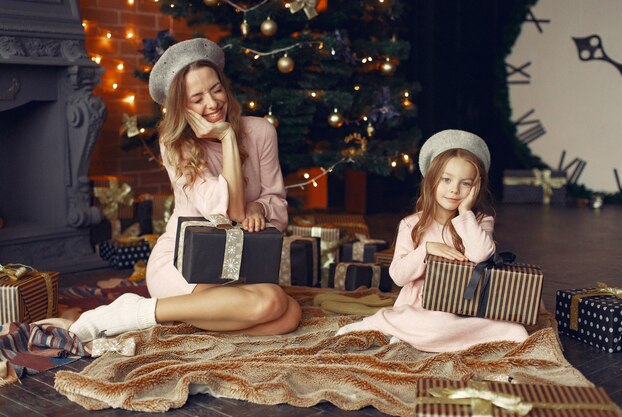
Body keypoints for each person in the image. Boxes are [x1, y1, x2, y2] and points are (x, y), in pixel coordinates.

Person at [69, 38, 301, 343]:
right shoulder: (175, 144)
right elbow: (226, 211)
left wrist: (261, 207)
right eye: (197, 98)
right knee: (271, 303)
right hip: (186, 261)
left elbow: (276, 201)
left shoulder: (260, 132)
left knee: (290, 314)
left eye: (216, 89)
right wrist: (228, 138)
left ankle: (178, 318)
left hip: (236, 257)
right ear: (182, 106)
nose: (213, 103)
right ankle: (133, 313)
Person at [335, 129, 528, 352]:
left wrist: (465, 213)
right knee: (436, 324)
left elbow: (481, 254)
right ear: (431, 180)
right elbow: (398, 276)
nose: (454, 189)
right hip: (421, 308)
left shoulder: (480, 221)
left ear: (476, 188)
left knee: (516, 331)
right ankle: (389, 323)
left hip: (464, 308)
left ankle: (412, 335)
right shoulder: (411, 224)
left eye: (465, 183)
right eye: (446, 179)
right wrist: (427, 250)